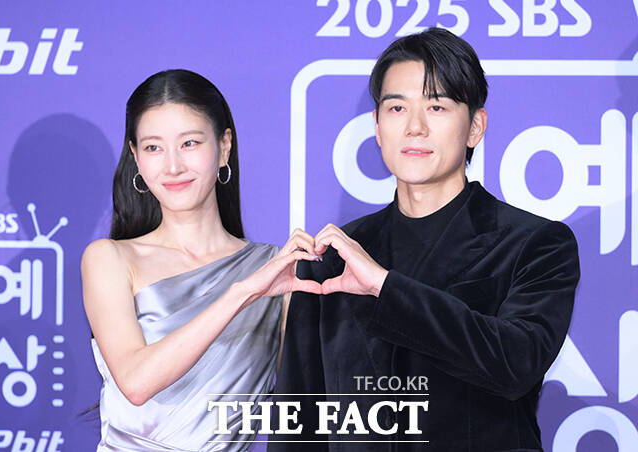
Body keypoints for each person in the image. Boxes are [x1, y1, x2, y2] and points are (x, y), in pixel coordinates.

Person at [271, 28, 580, 451]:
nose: (415, 127)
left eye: (436, 106)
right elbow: (300, 418)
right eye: (397, 108)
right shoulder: (331, 256)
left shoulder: (536, 244)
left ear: (475, 127)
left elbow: (516, 365)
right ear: (377, 127)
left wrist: (384, 287)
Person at [81, 69, 321, 451]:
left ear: (224, 146)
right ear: (135, 156)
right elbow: (136, 382)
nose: (173, 166)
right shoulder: (108, 259)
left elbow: (303, 408)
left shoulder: (276, 272)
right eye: (154, 148)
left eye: (190, 143)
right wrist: (243, 293)